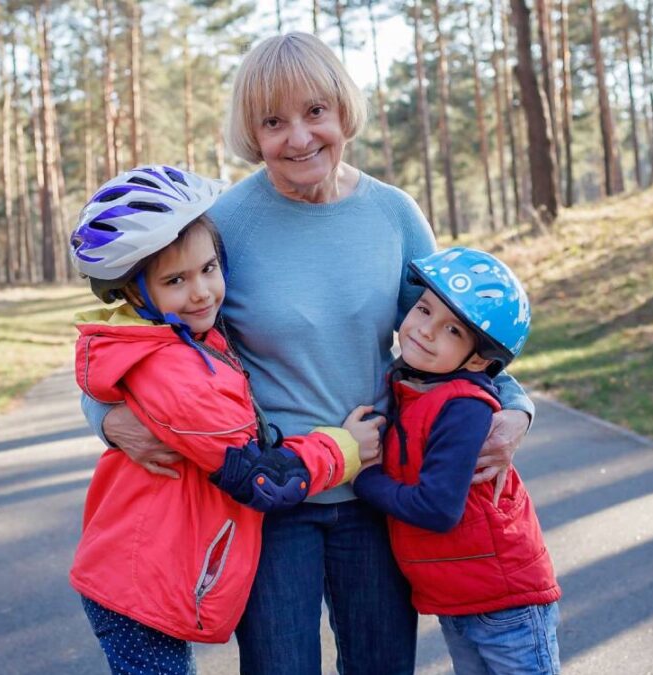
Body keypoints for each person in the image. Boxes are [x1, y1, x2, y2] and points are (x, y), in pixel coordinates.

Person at [80, 33, 537, 674]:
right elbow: (141, 336)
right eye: (274, 121)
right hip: (271, 501)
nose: (299, 138)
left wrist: (516, 408)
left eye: (315, 112)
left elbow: (457, 328)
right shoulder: (224, 223)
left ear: (343, 112)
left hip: (379, 492)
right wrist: (105, 418)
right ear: (252, 132)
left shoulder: (394, 215)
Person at [67, 164, 382, 674]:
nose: (201, 293)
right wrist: (344, 448)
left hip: (139, 576)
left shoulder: (178, 338)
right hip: (137, 588)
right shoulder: (173, 369)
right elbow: (260, 477)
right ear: (132, 294)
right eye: (175, 280)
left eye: (208, 269)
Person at [353, 247, 561, 675]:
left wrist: (364, 478)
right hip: (460, 598)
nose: (426, 331)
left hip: (505, 603)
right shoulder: (412, 387)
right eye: (424, 310)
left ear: (480, 360)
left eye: (452, 331)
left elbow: (438, 508)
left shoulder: (463, 407)